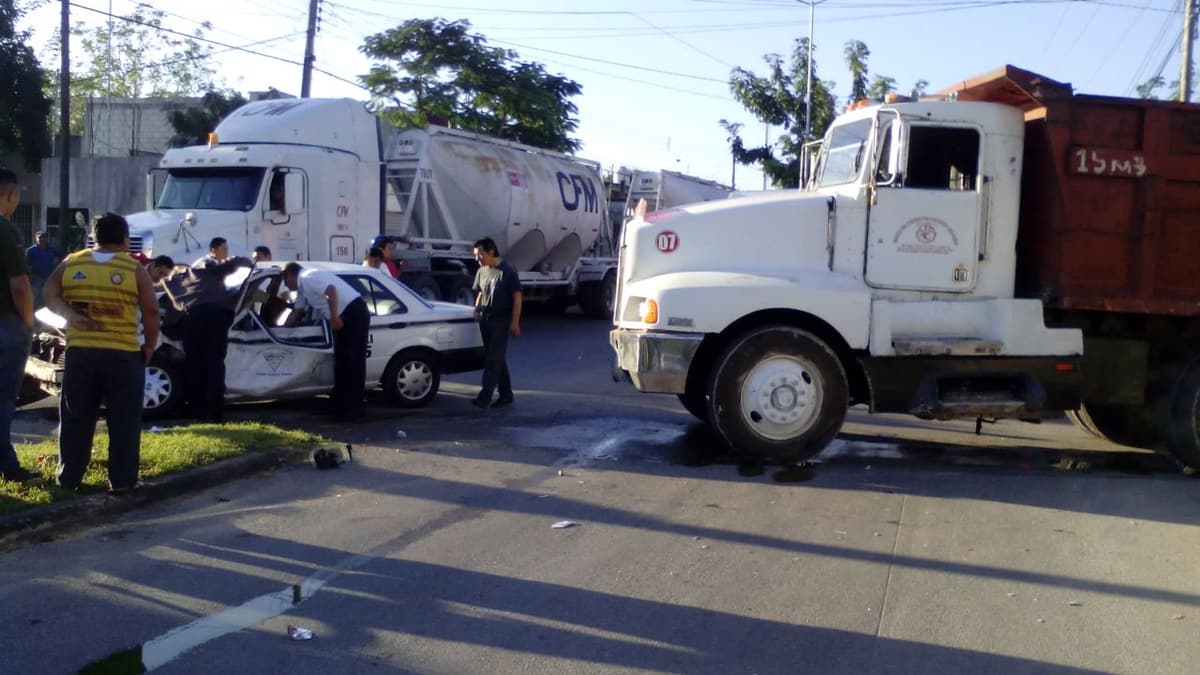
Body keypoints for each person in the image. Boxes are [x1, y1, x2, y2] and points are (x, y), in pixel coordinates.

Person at [42, 212, 159, 494]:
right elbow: (152, 311)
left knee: (76, 417)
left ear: (94, 237)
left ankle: (68, 478)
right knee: (124, 420)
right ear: (124, 239)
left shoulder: (73, 262)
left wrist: (71, 315)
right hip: (123, 354)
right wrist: (149, 345)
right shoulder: (133, 269)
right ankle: (122, 481)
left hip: (81, 352)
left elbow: (48, 293)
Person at [176, 237, 252, 422]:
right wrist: (243, 261)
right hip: (209, 316)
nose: (226, 252)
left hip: (192, 316)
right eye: (224, 249)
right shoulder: (206, 263)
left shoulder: (202, 272)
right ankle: (213, 411)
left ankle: (198, 410)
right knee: (214, 363)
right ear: (213, 250)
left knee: (197, 363)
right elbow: (222, 269)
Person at [282, 262, 369, 421]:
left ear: (290, 274)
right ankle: (339, 405)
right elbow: (297, 311)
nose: (285, 284)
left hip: (352, 312)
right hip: (344, 314)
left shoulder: (308, 277)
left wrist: (334, 316)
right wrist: (282, 331)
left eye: (285, 280)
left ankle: (354, 409)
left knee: (353, 362)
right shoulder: (303, 289)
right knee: (342, 362)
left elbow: (330, 290)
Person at [0, 170, 37, 483]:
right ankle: (6, 465)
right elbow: (20, 286)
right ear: (10, 195)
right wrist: (28, 323)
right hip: (5, 324)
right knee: (2, 398)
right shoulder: (5, 229)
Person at [470, 237, 522, 409]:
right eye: (475, 255)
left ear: (491, 252)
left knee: (493, 359)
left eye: (480, 255)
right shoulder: (482, 271)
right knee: (496, 357)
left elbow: (517, 297)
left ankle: (484, 397)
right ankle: (506, 395)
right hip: (486, 320)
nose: (477, 259)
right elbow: (481, 292)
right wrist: (477, 309)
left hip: (501, 321)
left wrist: (515, 322)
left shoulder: (507, 271)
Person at [25, 231, 61, 307]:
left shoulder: (52, 249)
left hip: (49, 277)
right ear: (36, 238)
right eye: (40, 237)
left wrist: (57, 268)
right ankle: (34, 311)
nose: (42, 239)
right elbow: (26, 264)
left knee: (49, 295)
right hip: (36, 277)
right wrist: (30, 275)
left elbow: (61, 257)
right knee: (35, 296)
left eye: (44, 237)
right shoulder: (31, 250)